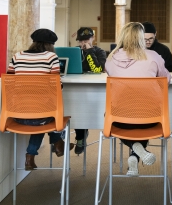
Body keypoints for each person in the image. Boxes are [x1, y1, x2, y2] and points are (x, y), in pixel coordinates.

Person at [105, 22, 171, 176]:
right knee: (142, 119)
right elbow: (165, 80)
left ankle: (135, 151)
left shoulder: (111, 59)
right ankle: (137, 151)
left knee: (118, 120)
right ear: (141, 38)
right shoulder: (153, 56)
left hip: (119, 117)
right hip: (150, 117)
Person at [7, 28, 73, 171]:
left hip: (18, 113)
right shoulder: (51, 57)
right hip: (41, 116)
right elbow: (56, 87)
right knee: (47, 115)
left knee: (40, 115)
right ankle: (57, 143)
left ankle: (34, 155)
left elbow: (9, 83)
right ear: (51, 45)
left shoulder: (17, 56)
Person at [74, 27, 107, 155]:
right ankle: (79, 136)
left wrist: (89, 51)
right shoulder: (75, 51)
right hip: (77, 88)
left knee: (82, 108)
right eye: (81, 41)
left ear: (93, 38)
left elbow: (97, 69)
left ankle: (81, 137)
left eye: (86, 40)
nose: (83, 43)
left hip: (94, 90)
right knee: (75, 107)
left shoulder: (99, 52)